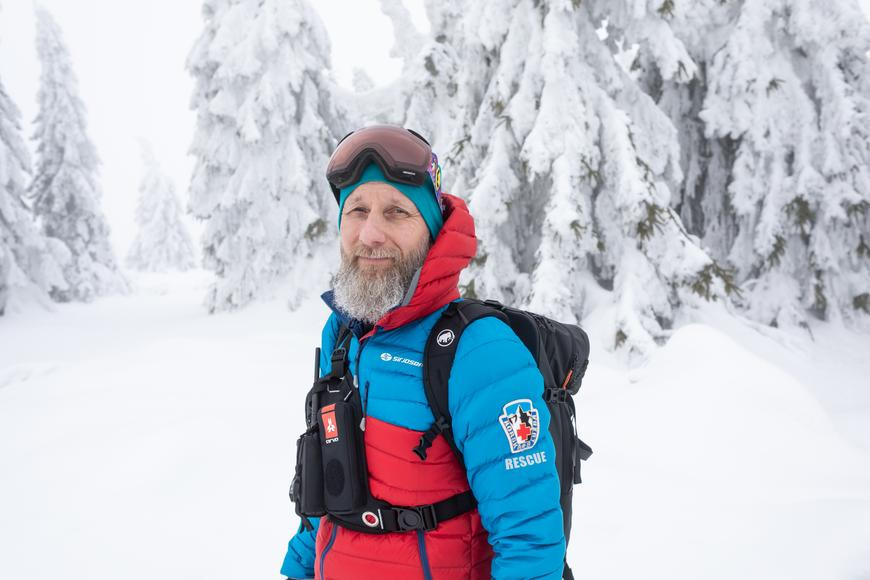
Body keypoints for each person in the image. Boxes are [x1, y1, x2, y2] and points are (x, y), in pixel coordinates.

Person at [281, 125, 566, 579]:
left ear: (431, 231)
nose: (370, 233)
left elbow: (529, 542)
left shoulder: (480, 352)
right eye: (357, 210)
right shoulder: (342, 337)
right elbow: (325, 502)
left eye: (396, 212)